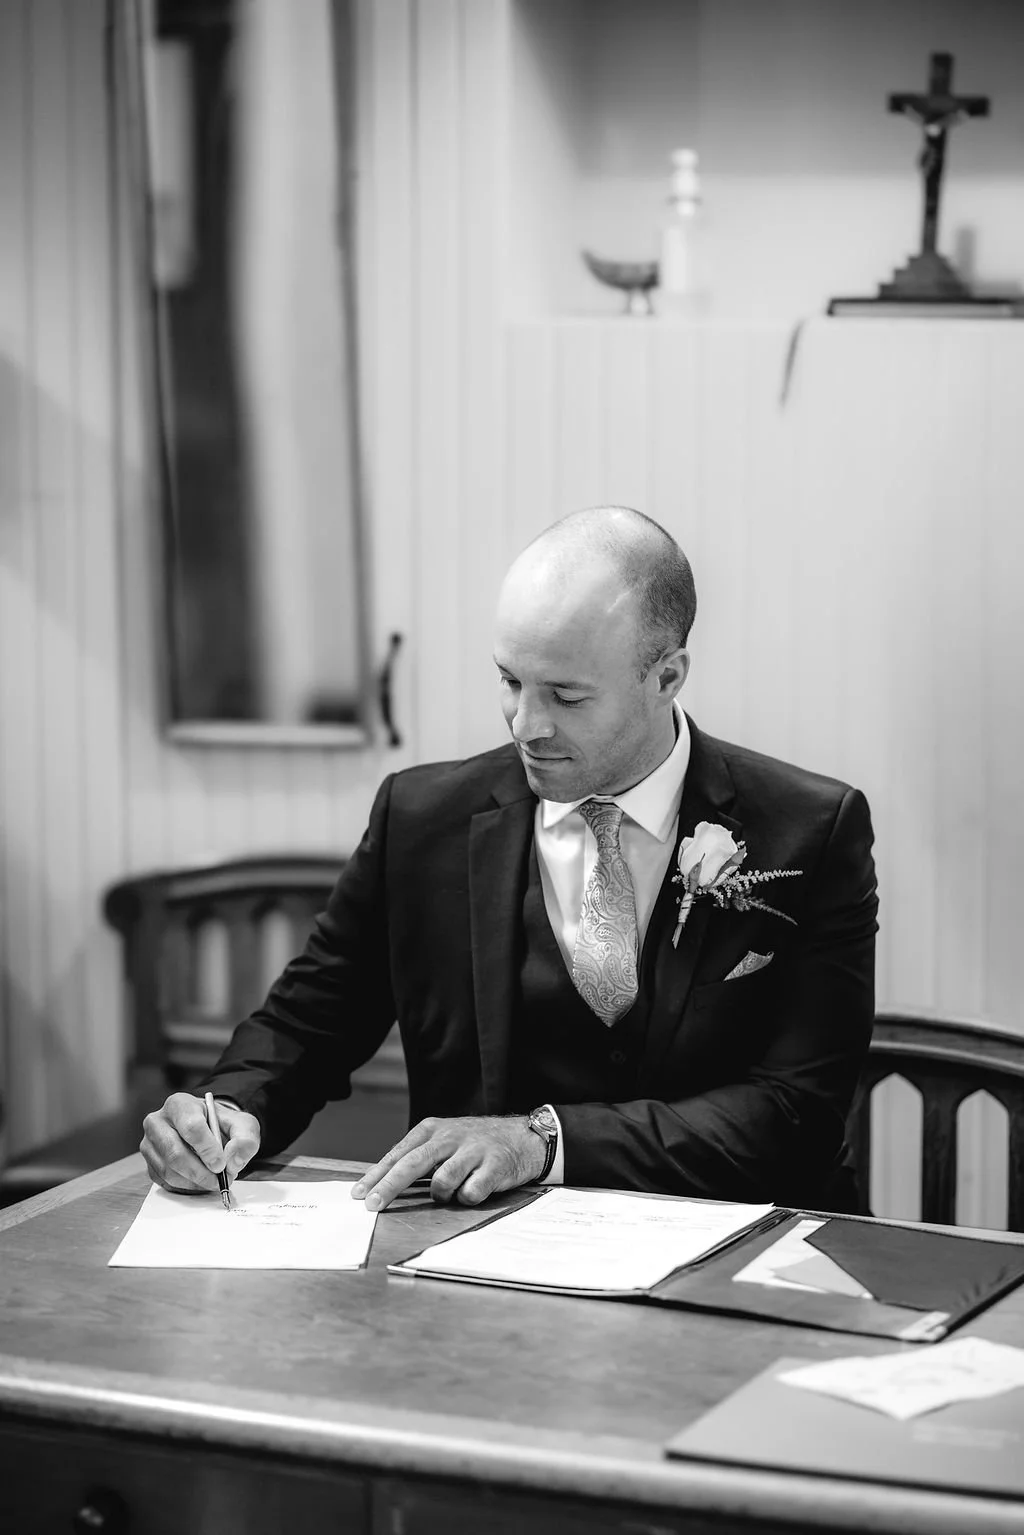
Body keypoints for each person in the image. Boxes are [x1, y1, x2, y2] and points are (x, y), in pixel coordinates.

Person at [141, 507, 878, 1214]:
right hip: (479, 1262)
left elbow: (795, 1110)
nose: (527, 725)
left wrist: (544, 1141)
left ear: (667, 676)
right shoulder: (423, 820)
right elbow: (309, 1023)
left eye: (565, 695)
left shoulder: (809, 831)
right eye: (510, 680)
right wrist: (229, 1109)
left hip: (740, 1259)